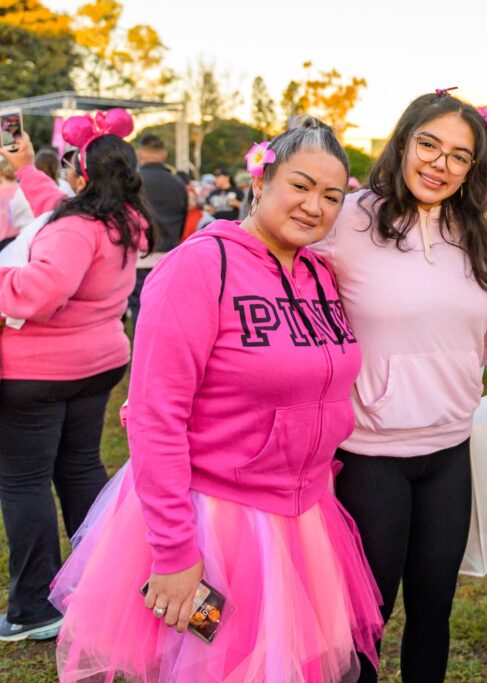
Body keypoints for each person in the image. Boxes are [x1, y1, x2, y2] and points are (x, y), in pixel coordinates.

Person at [48, 118, 384, 681]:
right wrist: (175, 553)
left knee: (287, 665)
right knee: (215, 666)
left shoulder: (321, 276)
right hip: (217, 522)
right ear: (261, 181)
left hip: (303, 518)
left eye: (331, 195)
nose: (314, 206)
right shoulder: (198, 267)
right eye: (300, 185)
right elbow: (156, 418)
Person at [311, 91, 487, 683]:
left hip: (450, 451)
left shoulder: (477, 235)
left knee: (433, 609)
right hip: (370, 455)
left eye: (459, 156)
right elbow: (274, 280)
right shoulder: (347, 219)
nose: (439, 164)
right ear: (402, 142)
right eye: (428, 144)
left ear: (473, 169)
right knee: (366, 617)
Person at [0, 112, 153, 642]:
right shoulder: (124, 219)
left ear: (81, 174)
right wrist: (25, 168)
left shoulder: (76, 227)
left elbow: (40, 292)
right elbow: (56, 217)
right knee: (80, 469)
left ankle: (35, 607)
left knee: (24, 482)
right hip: (97, 365)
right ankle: (99, 579)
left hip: (36, 374)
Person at [131, 134, 188, 323]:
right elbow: (183, 219)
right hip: (170, 255)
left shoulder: (133, 182)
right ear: (163, 154)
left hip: (139, 257)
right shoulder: (178, 184)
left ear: (140, 153)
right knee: (166, 313)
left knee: (140, 311)